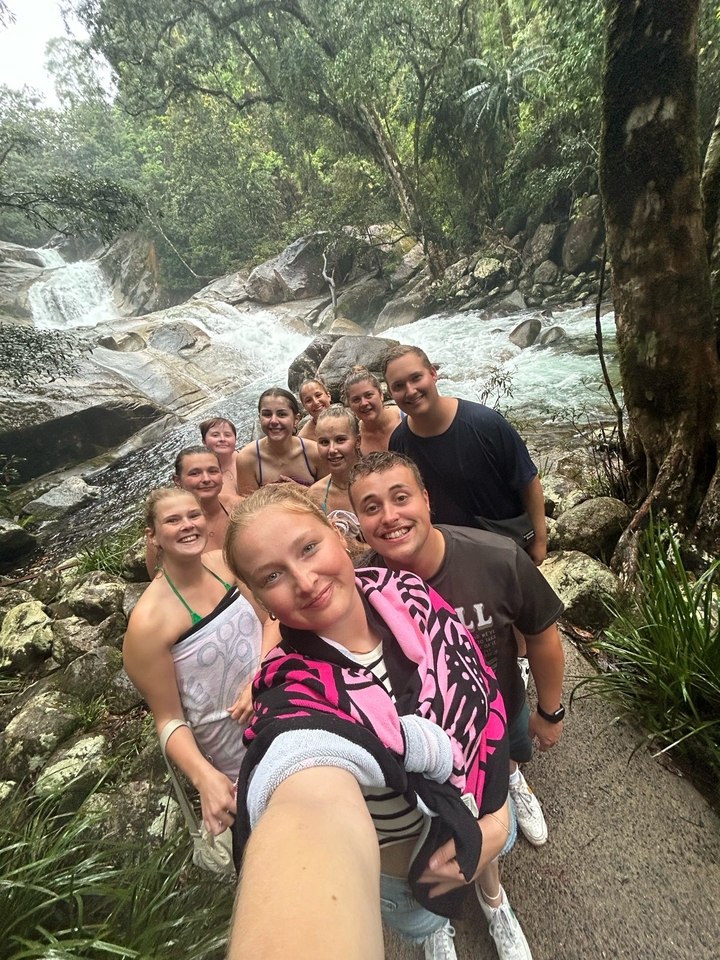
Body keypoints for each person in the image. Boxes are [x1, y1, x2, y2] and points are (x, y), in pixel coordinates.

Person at [224, 485, 533, 960]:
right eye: (272, 576)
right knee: (425, 919)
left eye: (308, 548)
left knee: (486, 864)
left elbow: (481, 691)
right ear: (259, 600)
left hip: (480, 806)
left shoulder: (411, 595)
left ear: (338, 535)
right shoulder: (292, 694)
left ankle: (494, 901)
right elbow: (303, 793)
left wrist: (495, 816)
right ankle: (436, 931)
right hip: (406, 869)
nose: (305, 580)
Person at [348, 451, 565, 848]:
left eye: (401, 497)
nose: (390, 517)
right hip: (427, 734)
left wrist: (550, 711)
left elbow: (541, 634)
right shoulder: (361, 589)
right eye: (372, 507)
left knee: (509, 756)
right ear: (360, 523)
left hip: (504, 701)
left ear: (427, 500)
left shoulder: (496, 557)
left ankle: (513, 777)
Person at [124, 487, 278, 835]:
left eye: (193, 515)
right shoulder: (148, 623)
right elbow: (168, 719)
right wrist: (203, 776)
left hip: (285, 706)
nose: (187, 525)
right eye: (173, 520)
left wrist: (262, 673)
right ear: (153, 536)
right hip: (238, 758)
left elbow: (273, 618)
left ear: (207, 522)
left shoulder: (226, 563)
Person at [383, 345, 548, 567]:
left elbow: (527, 480)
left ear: (433, 373)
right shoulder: (399, 441)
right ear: (391, 394)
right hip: (448, 557)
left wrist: (540, 540)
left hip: (506, 550)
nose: (411, 390)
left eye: (416, 378)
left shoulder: (485, 424)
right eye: (399, 386)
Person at [145, 446, 239, 578]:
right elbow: (159, 581)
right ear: (177, 481)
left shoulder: (241, 509)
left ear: (221, 475)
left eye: (213, 471)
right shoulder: (164, 533)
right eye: (195, 473)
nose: (206, 479)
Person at [235, 387, 326, 495]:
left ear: (296, 419)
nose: (273, 421)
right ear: (260, 418)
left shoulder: (315, 452)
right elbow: (247, 509)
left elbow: (329, 498)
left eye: (282, 414)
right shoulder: (247, 459)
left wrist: (301, 490)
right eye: (267, 414)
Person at [343, 366, 403, 454]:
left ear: (381, 394)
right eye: (356, 399)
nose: (364, 403)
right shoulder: (355, 438)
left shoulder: (407, 417)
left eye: (368, 395)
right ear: (350, 405)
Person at [200, 417, 238, 497]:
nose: (222, 439)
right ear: (204, 442)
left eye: (227, 435)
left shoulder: (248, 458)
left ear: (235, 439)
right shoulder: (202, 476)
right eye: (215, 435)